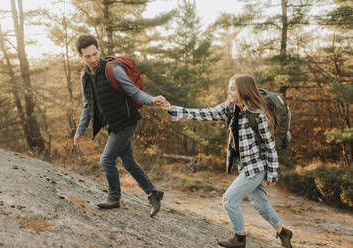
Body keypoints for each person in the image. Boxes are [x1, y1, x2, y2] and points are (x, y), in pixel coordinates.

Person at [160, 74, 293, 248]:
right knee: (260, 204)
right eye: (228, 88)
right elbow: (204, 113)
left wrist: (272, 174)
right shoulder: (230, 108)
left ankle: (239, 239)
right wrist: (172, 109)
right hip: (245, 165)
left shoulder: (258, 114)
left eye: (232, 88)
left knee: (229, 201)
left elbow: (270, 146)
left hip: (257, 167)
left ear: (243, 90)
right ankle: (283, 232)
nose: (228, 91)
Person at [74, 34, 164, 217]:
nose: (92, 59)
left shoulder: (112, 70)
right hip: (111, 125)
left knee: (106, 160)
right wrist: (80, 131)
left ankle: (114, 197)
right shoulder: (84, 76)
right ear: (80, 56)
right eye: (87, 56)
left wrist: (152, 100)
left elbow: (135, 93)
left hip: (126, 122)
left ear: (99, 50)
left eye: (95, 53)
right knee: (128, 161)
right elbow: (87, 105)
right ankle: (153, 193)